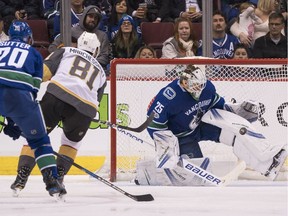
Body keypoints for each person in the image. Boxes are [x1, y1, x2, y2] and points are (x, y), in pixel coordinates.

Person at [134, 64, 287, 186]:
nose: (199, 90)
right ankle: (145, 173)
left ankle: (267, 163)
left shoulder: (207, 88)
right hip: (180, 138)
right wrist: (166, 147)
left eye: (201, 86)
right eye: (195, 86)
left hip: (201, 125)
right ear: (184, 82)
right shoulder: (168, 96)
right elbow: (154, 125)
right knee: (194, 179)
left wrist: (236, 110)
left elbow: (218, 106)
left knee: (236, 132)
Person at [9, 31, 107, 194]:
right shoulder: (102, 73)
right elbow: (97, 101)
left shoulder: (67, 51)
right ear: (96, 50)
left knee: (35, 136)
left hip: (57, 96)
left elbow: (44, 72)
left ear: (78, 44)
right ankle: (58, 178)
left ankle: (21, 177)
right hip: (85, 109)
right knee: (71, 143)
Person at [0, 21, 66, 197]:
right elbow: (33, 90)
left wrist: (7, 118)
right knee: (38, 141)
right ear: (29, 38)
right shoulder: (34, 53)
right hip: (20, 95)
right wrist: (16, 120)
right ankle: (52, 182)